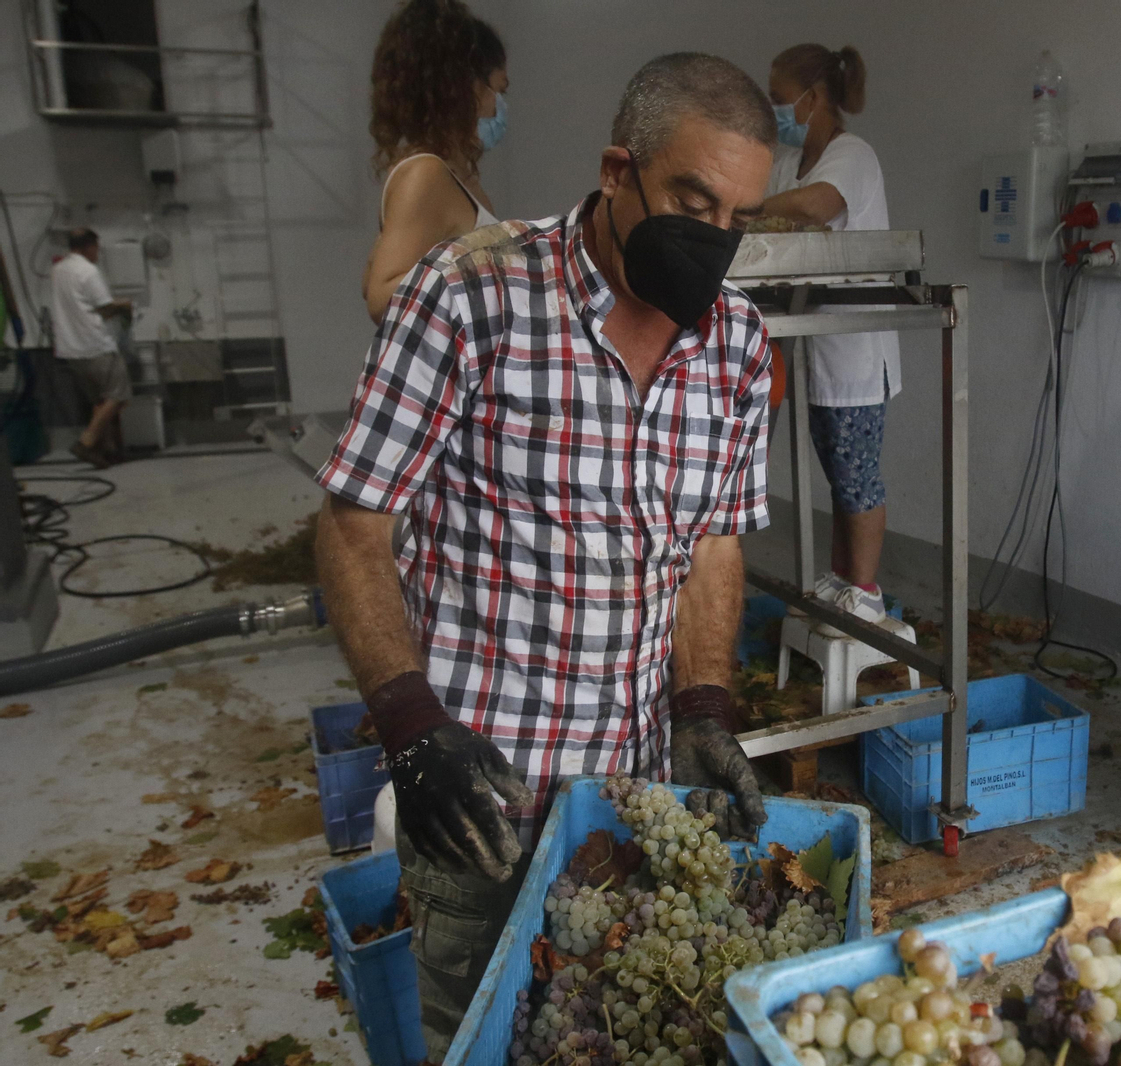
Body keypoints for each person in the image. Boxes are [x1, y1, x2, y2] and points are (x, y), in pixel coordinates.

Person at [314, 53, 777, 1058]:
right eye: (694, 201)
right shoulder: (471, 294)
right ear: (620, 170)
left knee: (606, 1032)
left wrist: (700, 704)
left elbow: (713, 539)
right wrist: (408, 723)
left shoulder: (736, 347)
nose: (714, 241)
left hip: (634, 803)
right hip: (481, 799)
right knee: (478, 1037)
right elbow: (355, 522)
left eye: (739, 220)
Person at [760, 44, 901, 629]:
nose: (776, 112)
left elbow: (815, 207)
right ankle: (844, 578)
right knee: (833, 465)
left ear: (812, 98)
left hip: (856, 346)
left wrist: (748, 209)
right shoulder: (790, 161)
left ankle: (865, 589)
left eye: (778, 100)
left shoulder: (852, 155)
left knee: (856, 470)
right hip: (818, 340)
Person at [362, 0, 507, 323]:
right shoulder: (424, 174)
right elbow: (381, 295)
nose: (499, 108)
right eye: (499, 91)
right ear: (467, 89)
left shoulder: (453, 175)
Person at [49, 227, 133, 469]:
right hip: (95, 344)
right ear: (88, 246)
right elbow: (104, 308)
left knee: (99, 401)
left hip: (70, 347)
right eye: (96, 248)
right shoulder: (88, 271)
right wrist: (124, 305)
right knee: (118, 396)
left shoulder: (59, 269)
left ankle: (107, 450)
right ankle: (86, 443)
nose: (98, 253)